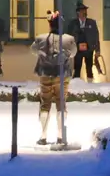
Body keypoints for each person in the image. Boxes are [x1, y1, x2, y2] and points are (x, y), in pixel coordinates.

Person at [31, 10, 77, 146]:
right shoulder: (69, 39)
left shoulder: (40, 38)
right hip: (62, 75)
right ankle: (60, 136)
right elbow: (73, 53)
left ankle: (43, 136)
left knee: (45, 104)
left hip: (45, 73)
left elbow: (33, 50)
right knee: (61, 104)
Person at [65, 2, 101, 82]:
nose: (84, 13)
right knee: (77, 68)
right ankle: (76, 85)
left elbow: (96, 37)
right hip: (77, 49)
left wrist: (97, 50)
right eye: (82, 11)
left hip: (89, 49)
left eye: (85, 11)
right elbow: (68, 37)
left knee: (89, 68)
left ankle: (90, 84)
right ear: (78, 13)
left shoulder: (92, 23)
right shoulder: (73, 24)